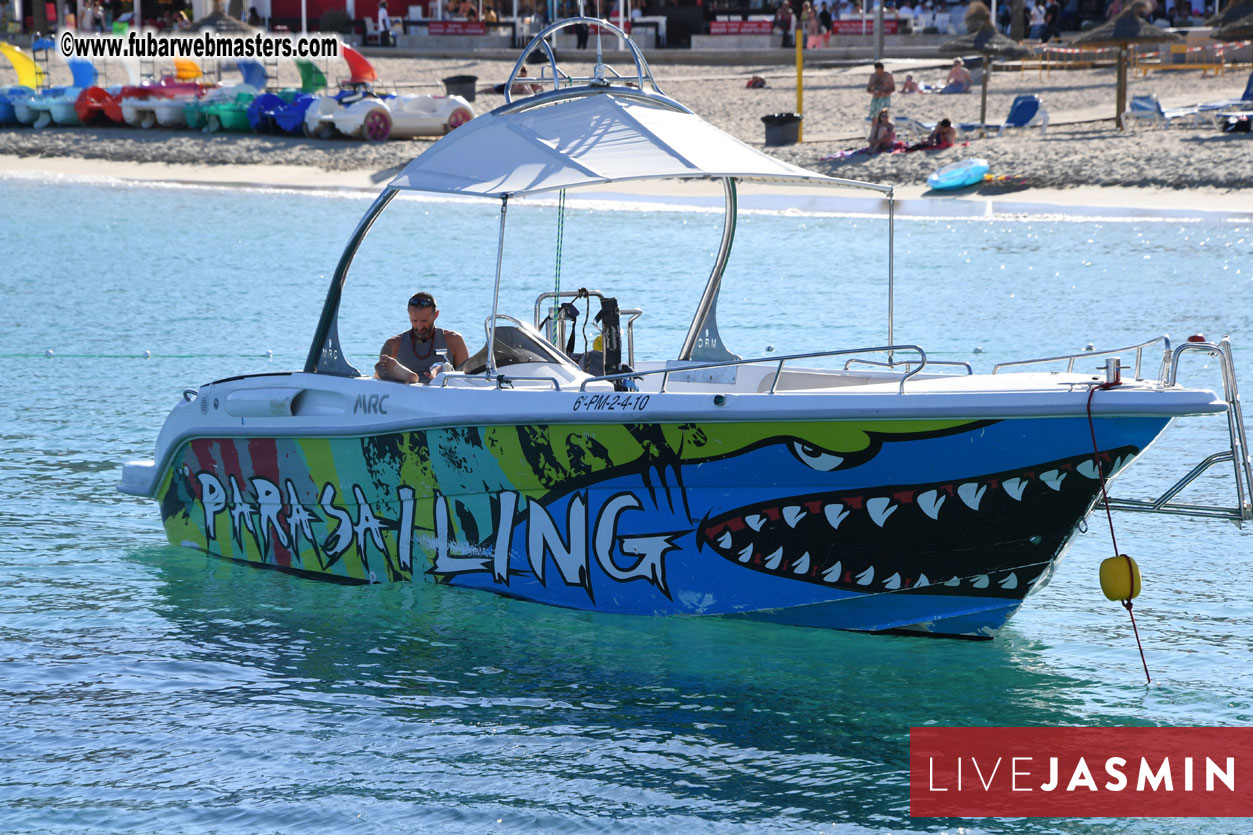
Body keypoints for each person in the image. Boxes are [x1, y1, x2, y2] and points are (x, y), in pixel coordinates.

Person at [376, 293, 470, 385]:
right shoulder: (394, 344)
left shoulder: (454, 340)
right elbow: (376, 382)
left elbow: (466, 379)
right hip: (407, 391)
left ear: (436, 315)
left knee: (443, 369)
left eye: (424, 321)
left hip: (442, 392)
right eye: (414, 320)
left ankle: (438, 373)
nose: (419, 326)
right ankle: (403, 375)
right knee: (381, 370)